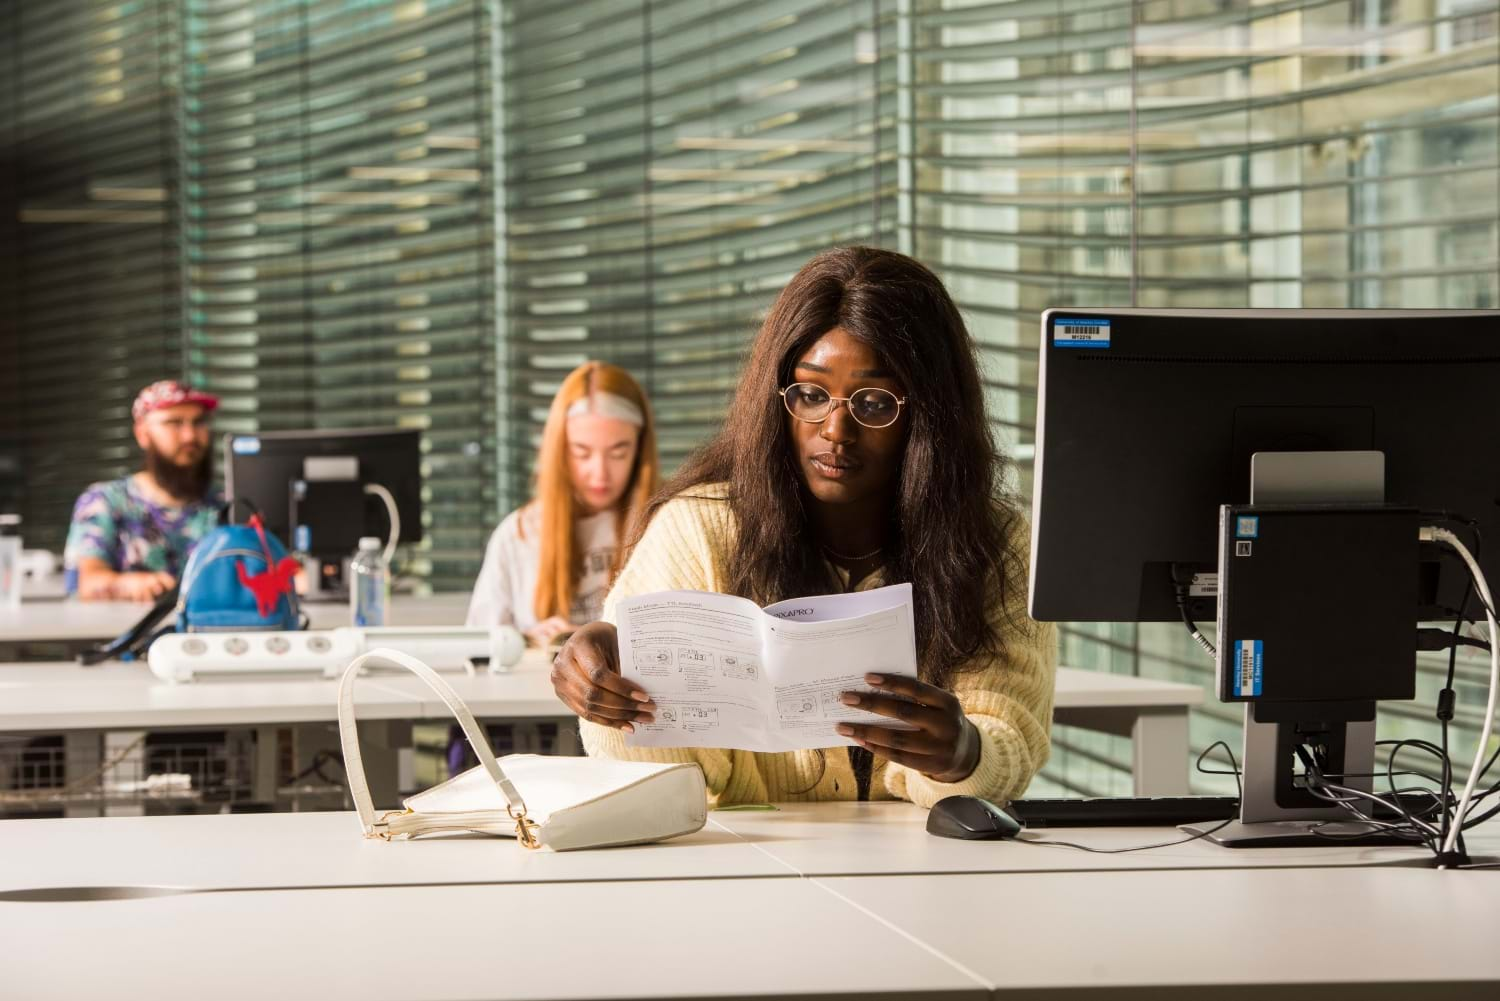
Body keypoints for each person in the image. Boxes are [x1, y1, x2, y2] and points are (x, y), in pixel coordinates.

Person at [550, 247, 1058, 808]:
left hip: (925, 878)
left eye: (874, 402)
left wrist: (965, 753)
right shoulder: (697, 529)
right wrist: (616, 690)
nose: (836, 429)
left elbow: (1008, 740)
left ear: (929, 414)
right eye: (811, 395)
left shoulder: (996, 544)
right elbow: (655, 782)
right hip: (745, 871)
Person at [466, 361, 660, 648]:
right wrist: (526, 642)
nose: (600, 473)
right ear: (559, 450)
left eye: (618, 453)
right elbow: (478, 646)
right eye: (582, 453)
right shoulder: (519, 534)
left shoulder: (665, 524)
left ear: (640, 448)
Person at [64, 380, 223, 602]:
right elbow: (87, 583)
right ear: (143, 434)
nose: (190, 436)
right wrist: (127, 584)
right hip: (130, 634)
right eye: (174, 423)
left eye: (198, 423)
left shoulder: (227, 504)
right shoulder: (105, 502)